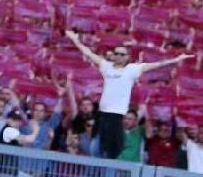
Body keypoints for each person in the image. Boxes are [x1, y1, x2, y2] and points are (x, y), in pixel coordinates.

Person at [63, 31, 192, 159]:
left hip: (117, 115)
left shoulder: (132, 70)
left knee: (113, 151)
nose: (118, 56)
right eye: (116, 53)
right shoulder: (106, 66)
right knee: (95, 148)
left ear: (127, 57)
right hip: (102, 114)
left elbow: (156, 65)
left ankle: (109, 176)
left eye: (122, 54)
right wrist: (75, 40)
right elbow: (88, 53)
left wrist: (176, 59)